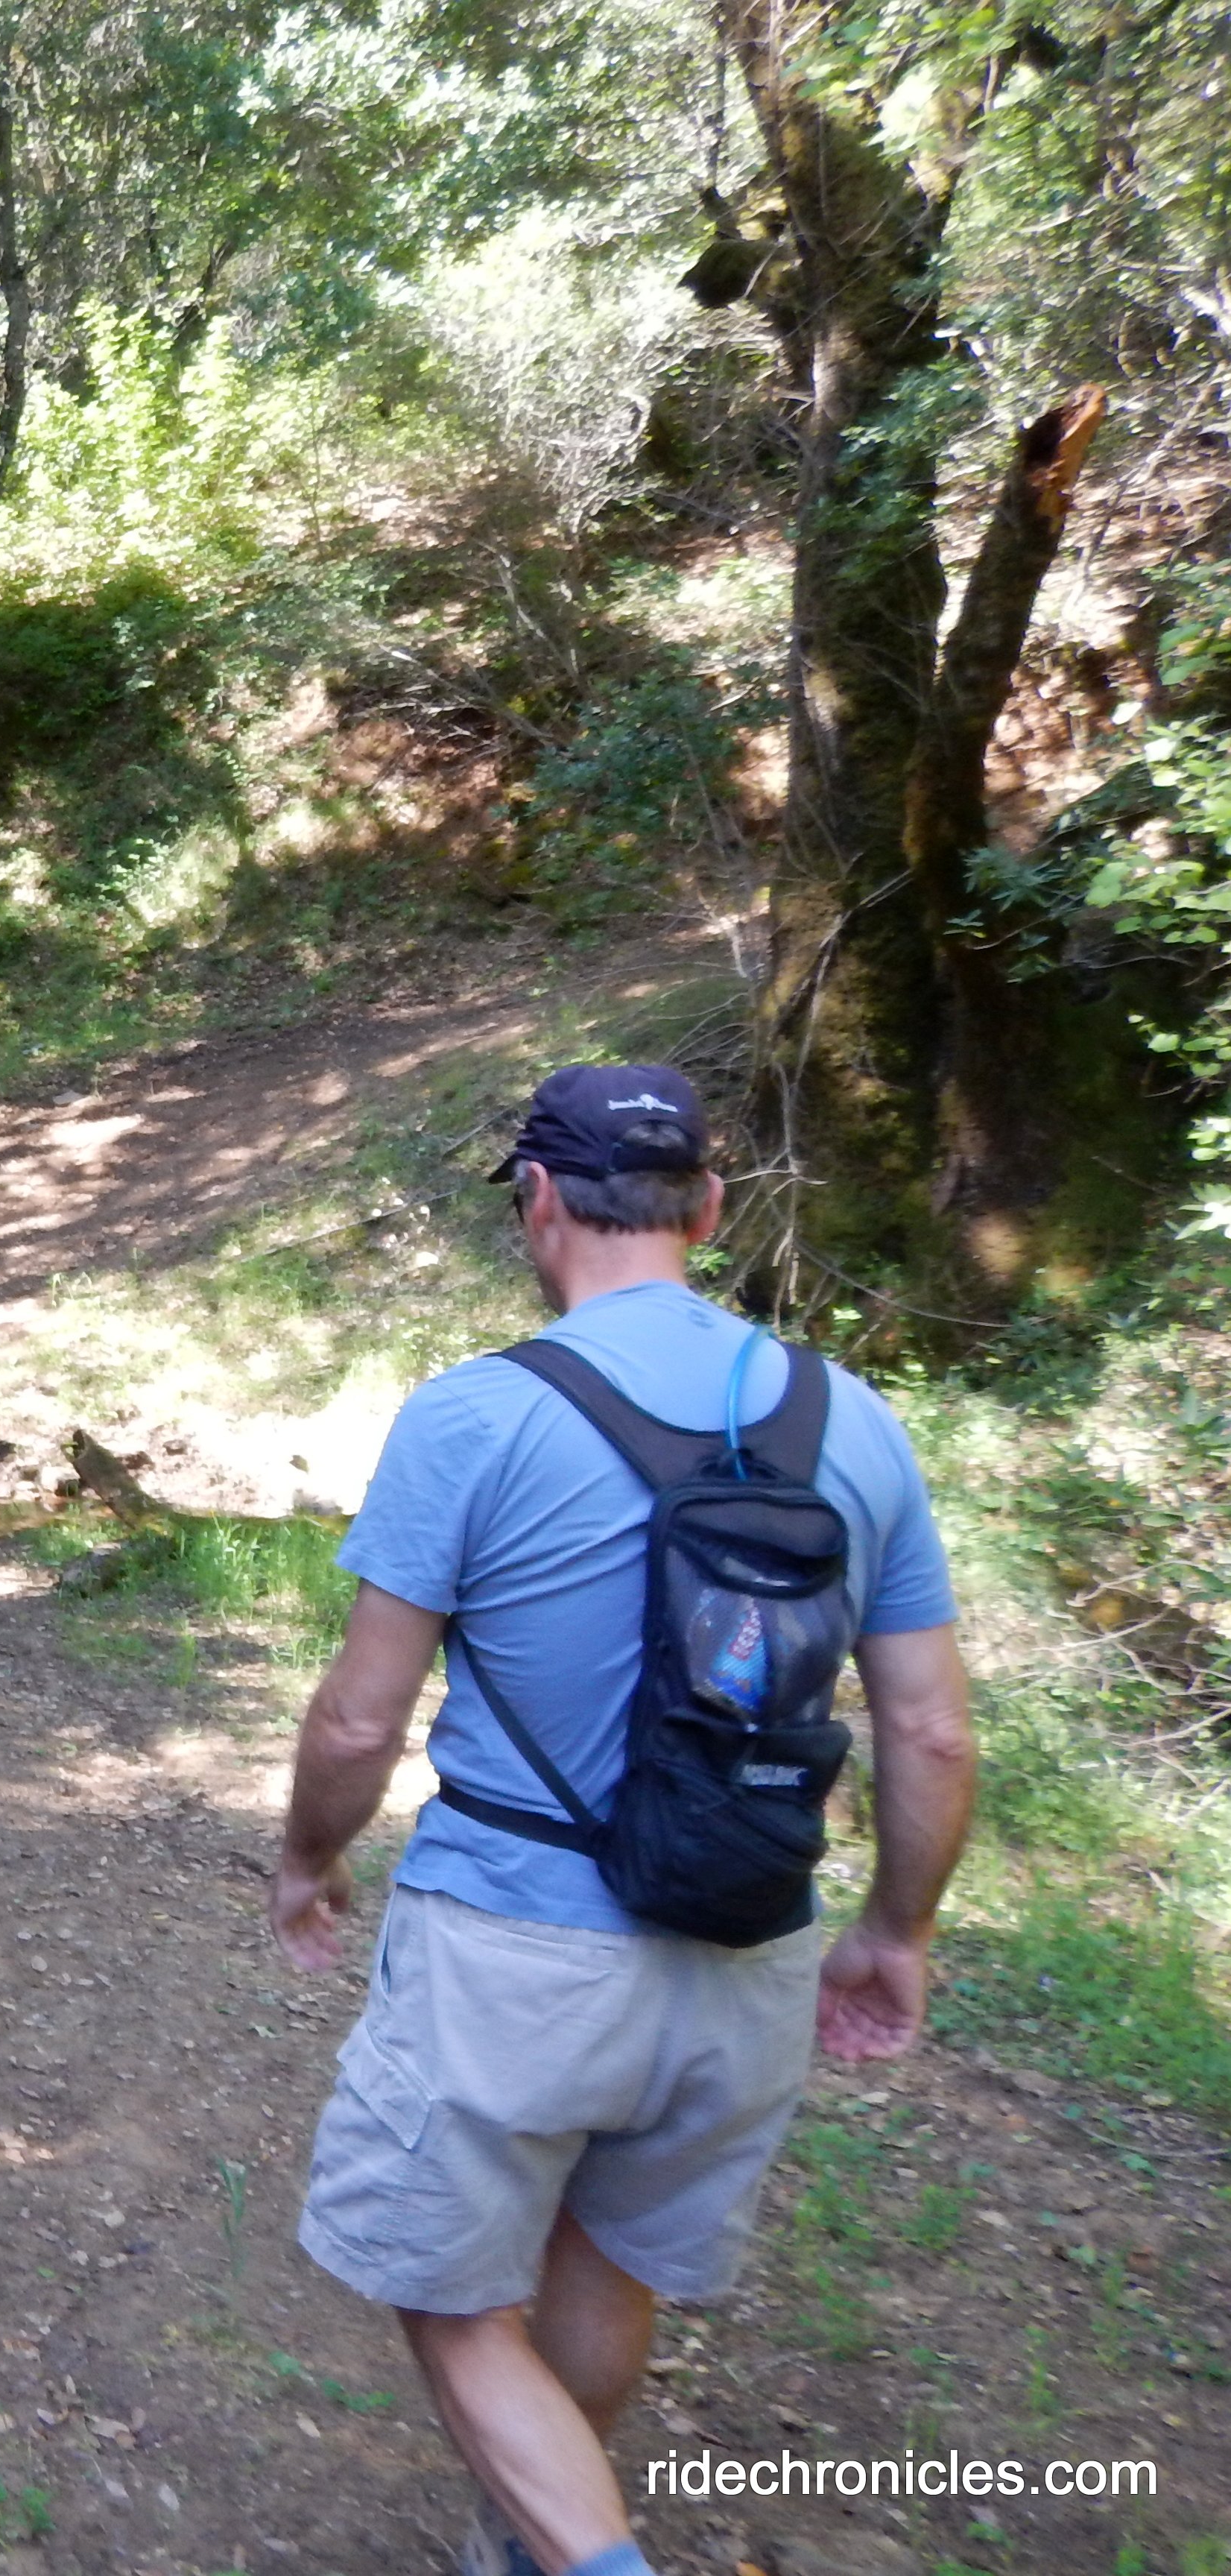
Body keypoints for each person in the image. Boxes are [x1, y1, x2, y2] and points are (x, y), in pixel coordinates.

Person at [266, 1064, 975, 2576]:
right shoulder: (854, 1421)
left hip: (516, 1947)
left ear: (537, 1200)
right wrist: (897, 1931)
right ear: (706, 1208)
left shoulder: (477, 1415)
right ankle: (528, 2548)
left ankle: (593, 2560)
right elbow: (927, 1727)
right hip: (749, 1944)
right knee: (607, 2259)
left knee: (452, 2297)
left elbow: (358, 1720)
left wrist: (308, 1858)